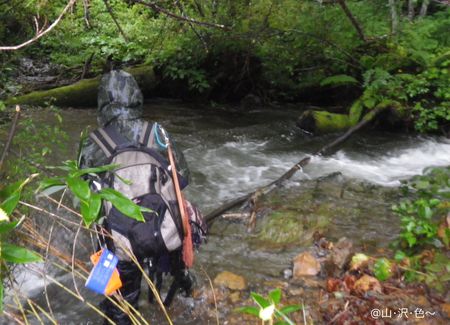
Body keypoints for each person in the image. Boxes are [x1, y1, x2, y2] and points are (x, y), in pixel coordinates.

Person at [79, 70, 205, 324]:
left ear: (102, 102)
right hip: (165, 232)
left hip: (120, 243)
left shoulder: (93, 143)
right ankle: (189, 300)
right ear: (137, 97)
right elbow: (183, 179)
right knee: (178, 277)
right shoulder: (158, 133)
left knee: (121, 308)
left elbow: (85, 195)